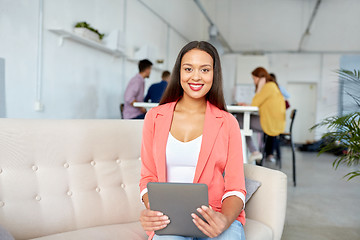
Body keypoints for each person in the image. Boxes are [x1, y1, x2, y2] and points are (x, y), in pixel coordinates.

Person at [139, 41, 246, 240]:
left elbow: (235, 186)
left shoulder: (227, 122)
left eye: (204, 69)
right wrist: (152, 210)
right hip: (168, 218)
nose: (196, 76)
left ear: (214, 74)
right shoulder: (154, 118)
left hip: (215, 215)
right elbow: (148, 177)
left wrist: (224, 219)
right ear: (179, 72)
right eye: (188, 69)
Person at [237, 67, 286, 163]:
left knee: (239, 119)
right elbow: (258, 104)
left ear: (261, 78)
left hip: (271, 124)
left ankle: (254, 151)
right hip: (273, 122)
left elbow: (255, 102)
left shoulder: (268, 86)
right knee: (242, 123)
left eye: (254, 78)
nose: (254, 81)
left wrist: (259, 87)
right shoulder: (271, 86)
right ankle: (253, 151)